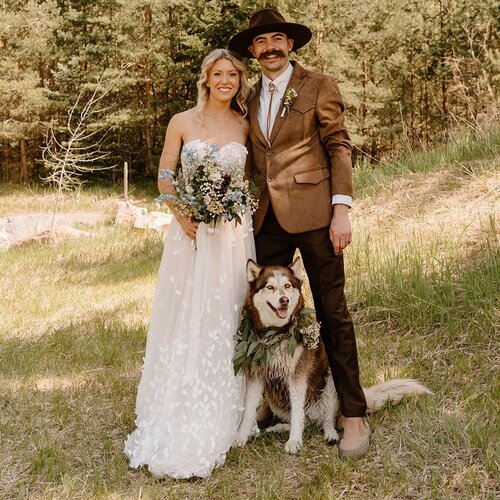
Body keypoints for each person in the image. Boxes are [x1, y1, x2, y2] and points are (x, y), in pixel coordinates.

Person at [229, 9, 370, 458]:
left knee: (332, 312)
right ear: (253, 51)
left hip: (316, 213)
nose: (270, 47)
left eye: (277, 39)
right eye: (261, 42)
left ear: (290, 45)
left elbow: (339, 145)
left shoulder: (318, 85)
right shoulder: (249, 97)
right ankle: (267, 404)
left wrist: (341, 210)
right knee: (258, 312)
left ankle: (353, 414)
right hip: (266, 219)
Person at [124, 48, 256, 478]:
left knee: (226, 311)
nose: (225, 80)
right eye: (218, 74)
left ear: (239, 80)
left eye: (232, 74)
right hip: (190, 233)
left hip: (232, 235)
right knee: (185, 313)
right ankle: (177, 400)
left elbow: (253, 178)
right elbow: (166, 175)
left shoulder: (245, 124)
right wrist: (182, 216)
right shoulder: (181, 121)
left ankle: (230, 404)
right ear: (206, 79)